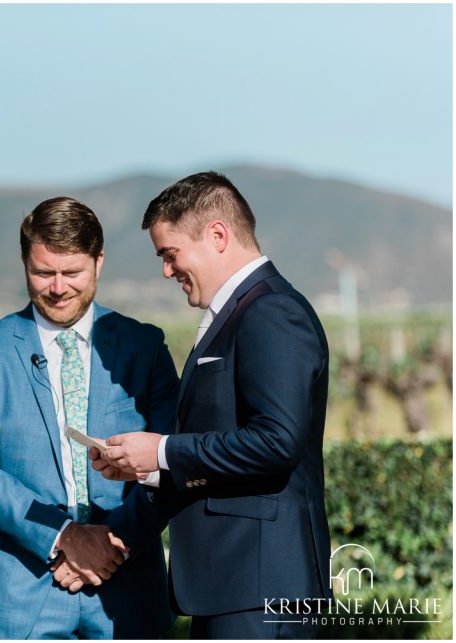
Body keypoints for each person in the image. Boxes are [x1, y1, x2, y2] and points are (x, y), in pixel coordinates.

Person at [93, 172, 331, 639]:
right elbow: (228, 448)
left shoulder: (271, 311)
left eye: (170, 253)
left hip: (262, 592)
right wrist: (147, 467)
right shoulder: (239, 312)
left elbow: (277, 442)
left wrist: (162, 451)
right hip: (231, 588)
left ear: (218, 235)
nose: (166, 270)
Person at [0, 196, 179, 639]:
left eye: (71, 272)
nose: (57, 288)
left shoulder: (145, 347)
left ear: (99, 262)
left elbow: (171, 461)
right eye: (42, 272)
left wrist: (113, 543)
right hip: (15, 596)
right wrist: (64, 536)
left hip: (127, 593)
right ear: (23, 262)